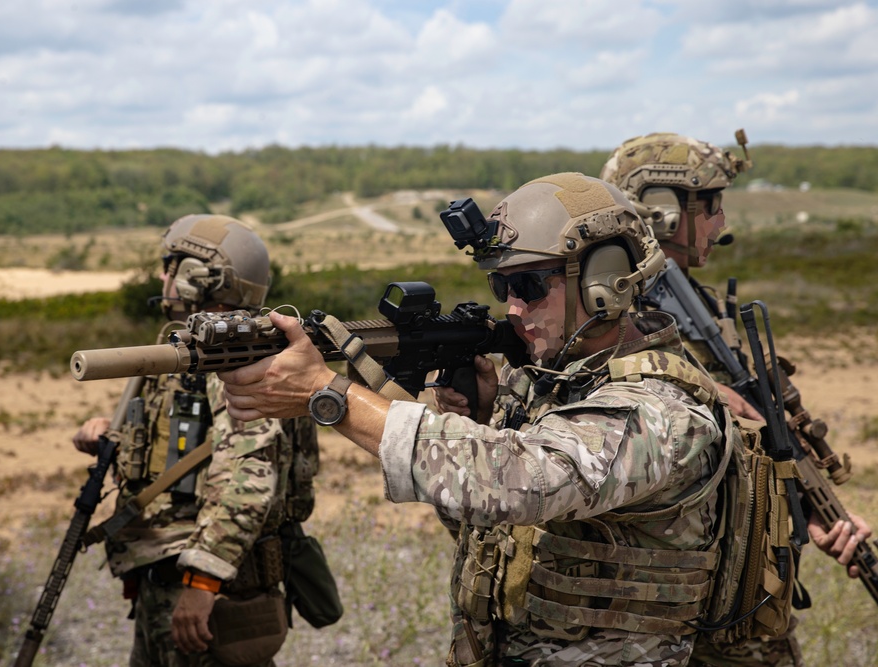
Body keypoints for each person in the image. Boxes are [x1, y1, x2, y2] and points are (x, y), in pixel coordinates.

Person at [219, 172, 743, 665]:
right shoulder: (555, 384)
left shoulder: (664, 407)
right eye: (503, 288)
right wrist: (488, 419)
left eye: (530, 286)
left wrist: (330, 395)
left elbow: (521, 483)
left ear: (605, 279)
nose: (513, 309)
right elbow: (490, 527)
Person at [599, 132, 873, 666]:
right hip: (672, 606)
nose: (722, 221)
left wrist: (807, 512)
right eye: (712, 205)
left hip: (736, 598)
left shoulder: (690, 298)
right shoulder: (613, 313)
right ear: (662, 212)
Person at [73, 214, 321, 667]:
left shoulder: (232, 354)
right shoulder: (188, 347)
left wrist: (202, 583)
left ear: (196, 278)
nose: (163, 277)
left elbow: (250, 480)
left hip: (208, 588)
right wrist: (110, 433)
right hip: (168, 574)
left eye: (171, 265)